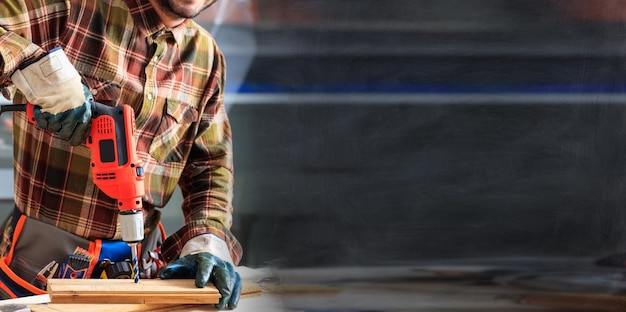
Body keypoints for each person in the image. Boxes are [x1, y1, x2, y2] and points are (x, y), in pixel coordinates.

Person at [0, 0, 242, 309]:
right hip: (36, 273)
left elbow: (211, 166)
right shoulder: (73, 9)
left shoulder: (206, 57)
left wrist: (207, 240)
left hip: (140, 274)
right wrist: (38, 71)